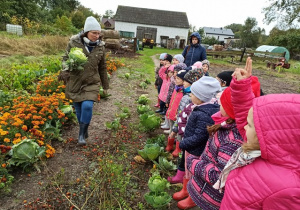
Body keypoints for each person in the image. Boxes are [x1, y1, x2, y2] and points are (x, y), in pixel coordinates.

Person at [214, 59, 300, 209]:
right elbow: (244, 115)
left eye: (251, 125)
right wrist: (241, 87)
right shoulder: (260, 148)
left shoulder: (287, 189)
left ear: (272, 137)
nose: (244, 128)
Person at [180, 58, 261, 210]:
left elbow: (218, 175)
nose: (218, 105)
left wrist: (194, 162)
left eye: (221, 103)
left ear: (230, 110)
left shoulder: (231, 140)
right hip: (203, 188)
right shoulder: (225, 127)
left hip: (211, 196)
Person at [60, 16, 109, 146]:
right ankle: (84, 129)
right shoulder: (73, 42)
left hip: (92, 82)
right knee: (78, 109)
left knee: (87, 106)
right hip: (75, 81)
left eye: (98, 33)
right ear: (86, 32)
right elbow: (65, 58)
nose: (97, 36)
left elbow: (102, 67)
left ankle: (81, 135)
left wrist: (105, 85)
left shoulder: (100, 47)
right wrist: (65, 70)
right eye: (94, 33)